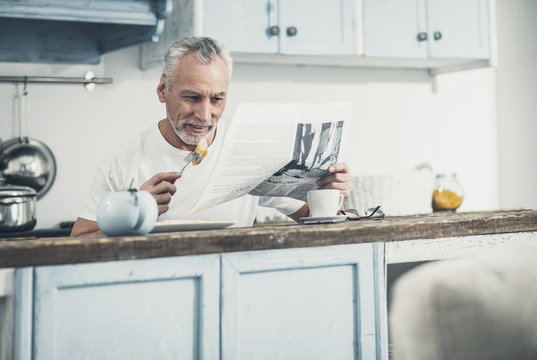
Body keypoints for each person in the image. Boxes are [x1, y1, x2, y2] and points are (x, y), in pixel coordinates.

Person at [71, 36, 354, 237]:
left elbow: (315, 219)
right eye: (192, 97)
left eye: (217, 99)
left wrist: (329, 194)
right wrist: (135, 212)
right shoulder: (125, 157)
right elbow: (78, 244)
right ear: (162, 90)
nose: (205, 115)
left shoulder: (249, 151)